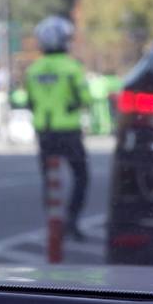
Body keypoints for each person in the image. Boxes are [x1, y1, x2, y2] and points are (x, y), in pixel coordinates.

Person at [25, 16, 91, 241]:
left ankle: (54, 223)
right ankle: (72, 221)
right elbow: (85, 97)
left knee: (49, 179)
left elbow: (30, 101)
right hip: (69, 131)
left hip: (44, 131)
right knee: (81, 176)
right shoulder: (72, 67)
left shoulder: (33, 70)